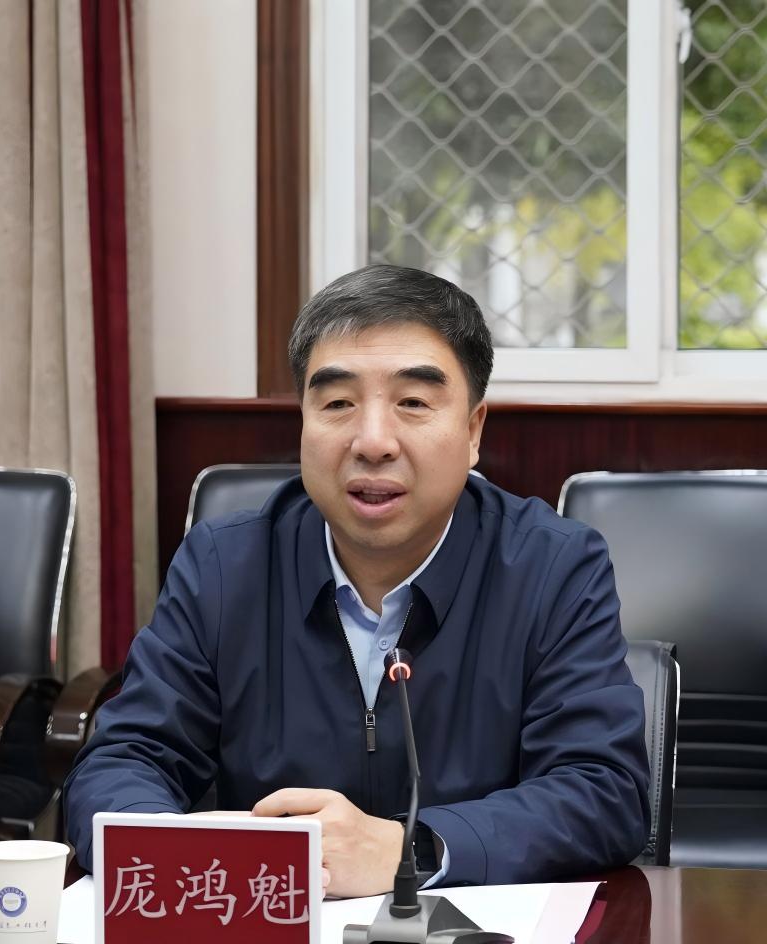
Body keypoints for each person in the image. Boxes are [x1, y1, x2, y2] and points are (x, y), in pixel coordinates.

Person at [64, 264, 650, 895]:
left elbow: (603, 792)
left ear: (473, 429)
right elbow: (123, 760)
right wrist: (177, 851)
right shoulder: (224, 566)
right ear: (303, 421)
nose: (373, 442)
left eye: (413, 403)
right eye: (338, 403)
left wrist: (407, 849)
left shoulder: (552, 567)